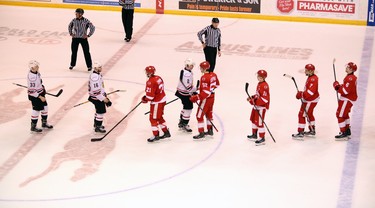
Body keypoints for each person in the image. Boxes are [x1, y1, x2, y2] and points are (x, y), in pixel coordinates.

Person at [190, 61, 220, 139]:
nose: (200, 69)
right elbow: (217, 84)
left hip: (206, 99)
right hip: (212, 97)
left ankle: (201, 132)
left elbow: (206, 92)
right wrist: (203, 88)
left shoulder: (204, 77)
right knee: (209, 114)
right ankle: (210, 130)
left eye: (200, 68)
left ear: (204, 68)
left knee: (199, 115)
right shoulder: (213, 74)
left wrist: (196, 97)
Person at [142, 66, 171, 142]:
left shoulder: (150, 82)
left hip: (157, 102)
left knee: (153, 119)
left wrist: (145, 99)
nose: (146, 73)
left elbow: (150, 97)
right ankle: (166, 132)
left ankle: (156, 135)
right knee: (159, 117)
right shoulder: (158, 78)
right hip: (162, 99)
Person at [292, 64, 320, 139]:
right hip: (311, 99)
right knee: (309, 114)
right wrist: (302, 94)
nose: (305, 71)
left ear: (311, 71)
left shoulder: (313, 79)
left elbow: (311, 92)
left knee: (301, 114)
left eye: (306, 70)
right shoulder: (311, 77)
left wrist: (301, 94)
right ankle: (312, 130)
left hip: (310, 100)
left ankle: (300, 132)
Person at [333, 62, 358, 140]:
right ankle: (347, 130)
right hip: (348, 99)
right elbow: (346, 87)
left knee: (340, 115)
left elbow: (345, 91)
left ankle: (343, 132)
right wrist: (339, 86)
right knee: (345, 114)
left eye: (347, 67)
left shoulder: (350, 78)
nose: (346, 68)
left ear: (351, 69)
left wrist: (337, 87)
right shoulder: (350, 77)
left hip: (347, 99)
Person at [27, 60, 53, 132]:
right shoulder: (32, 77)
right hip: (35, 96)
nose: (38, 67)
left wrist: (42, 89)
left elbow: (39, 83)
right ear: (32, 68)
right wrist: (40, 96)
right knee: (36, 110)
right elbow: (32, 91)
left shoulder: (36, 73)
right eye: (36, 66)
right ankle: (33, 126)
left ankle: (44, 123)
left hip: (40, 93)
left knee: (45, 107)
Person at [247, 70, 270, 146]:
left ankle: (262, 138)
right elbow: (258, 95)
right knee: (253, 120)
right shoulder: (259, 84)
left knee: (260, 123)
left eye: (260, 77)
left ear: (264, 77)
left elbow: (265, 99)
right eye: (258, 76)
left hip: (261, 108)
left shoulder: (264, 86)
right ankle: (254, 134)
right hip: (256, 106)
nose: (258, 78)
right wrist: (252, 97)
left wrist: (254, 102)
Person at [88, 62, 111, 133]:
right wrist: (104, 99)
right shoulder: (95, 77)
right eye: (99, 67)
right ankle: (98, 126)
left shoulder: (97, 75)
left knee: (98, 110)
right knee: (101, 111)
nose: (101, 68)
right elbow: (96, 91)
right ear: (95, 68)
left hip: (97, 96)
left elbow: (101, 88)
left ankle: (96, 124)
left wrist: (104, 95)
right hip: (97, 98)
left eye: (101, 66)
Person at [175, 58, 196, 133]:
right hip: (185, 94)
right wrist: (196, 89)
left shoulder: (183, 70)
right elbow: (188, 87)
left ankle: (181, 121)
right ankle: (184, 123)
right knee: (188, 108)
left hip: (180, 92)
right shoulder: (187, 74)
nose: (192, 66)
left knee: (185, 107)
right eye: (191, 65)